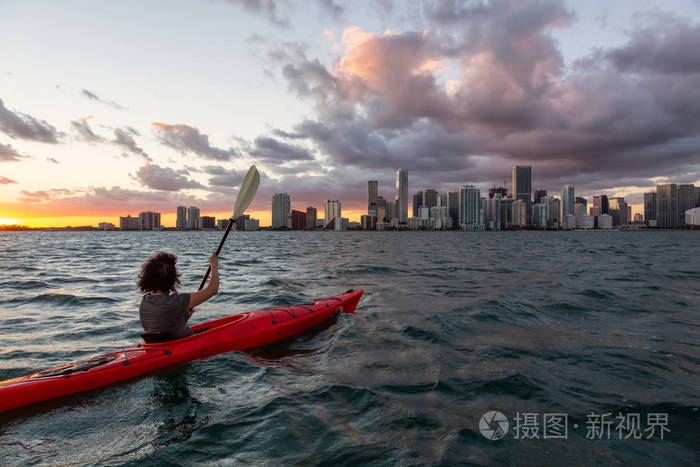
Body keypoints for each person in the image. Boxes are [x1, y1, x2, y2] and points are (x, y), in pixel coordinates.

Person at [137, 251, 219, 341]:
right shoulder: (177, 301)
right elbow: (212, 290)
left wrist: (182, 317)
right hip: (182, 344)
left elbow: (161, 327)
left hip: (155, 344)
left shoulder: (145, 301)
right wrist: (214, 265)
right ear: (173, 279)